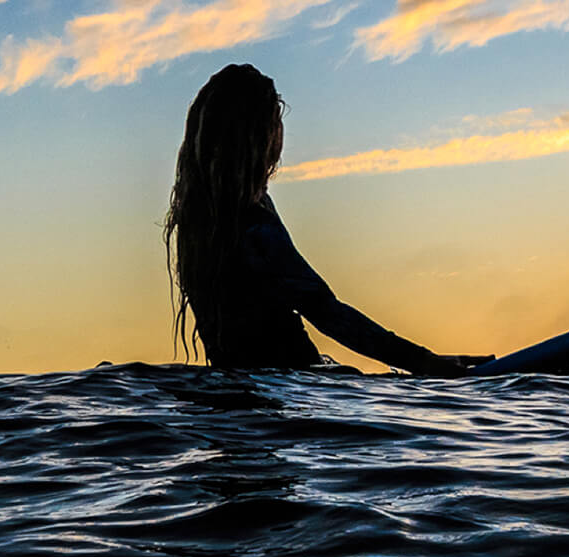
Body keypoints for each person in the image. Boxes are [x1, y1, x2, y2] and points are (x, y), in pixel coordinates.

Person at [164, 63, 487, 374]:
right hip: (290, 386)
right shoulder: (252, 224)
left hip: (234, 409)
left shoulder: (197, 224)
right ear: (257, 138)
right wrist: (423, 362)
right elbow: (324, 310)